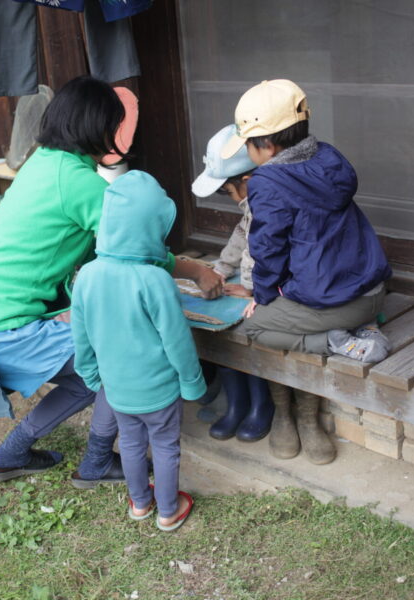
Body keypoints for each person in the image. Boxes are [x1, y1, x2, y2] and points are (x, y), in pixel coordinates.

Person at [0, 76, 223, 486]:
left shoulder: (43, 161)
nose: (117, 135)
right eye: (114, 124)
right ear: (97, 126)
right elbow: (137, 249)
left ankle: (11, 453)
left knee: (86, 377)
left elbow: (88, 251)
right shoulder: (80, 182)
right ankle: (93, 462)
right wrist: (200, 270)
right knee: (117, 361)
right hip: (2, 328)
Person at [219, 79, 393, 464]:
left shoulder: (267, 180)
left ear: (266, 143)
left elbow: (267, 249)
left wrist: (262, 298)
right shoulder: (327, 158)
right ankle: (356, 332)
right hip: (373, 294)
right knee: (286, 310)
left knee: (254, 327)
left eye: (248, 143)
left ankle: (336, 342)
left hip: (332, 306)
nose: (248, 153)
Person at [71, 170, 203, 531]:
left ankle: (140, 505)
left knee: (130, 442)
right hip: (158, 390)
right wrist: (192, 383)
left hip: (117, 388)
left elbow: (81, 337)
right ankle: (167, 510)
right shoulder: (155, 280)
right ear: (151, 229)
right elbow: (177, 341)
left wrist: (92, 375)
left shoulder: (87, 276)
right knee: (164, 445)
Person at [190, 124, 274, 443]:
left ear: (247, 180)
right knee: (217, 315)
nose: (229, 197)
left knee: (246, 323)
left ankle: (260, 403)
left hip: (274, 285)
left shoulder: (271, 202)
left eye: (228, 190)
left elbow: (262, 247)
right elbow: (243, 234)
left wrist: (251, 287)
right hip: (258, 280)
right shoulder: (253, 202)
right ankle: (237, 402)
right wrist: (222, 268)